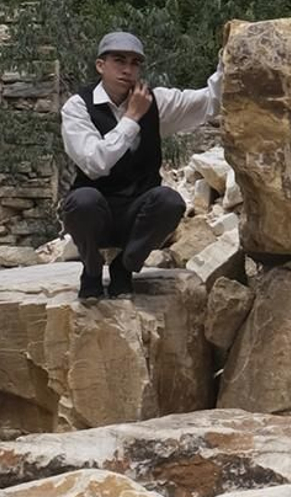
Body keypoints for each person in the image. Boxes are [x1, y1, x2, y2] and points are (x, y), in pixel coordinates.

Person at [59, 30, 223, 302]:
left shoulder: (156, 101)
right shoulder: (78, 107)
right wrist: (132, 117)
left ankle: (124, 267)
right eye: (119, 61)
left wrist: (227, 59)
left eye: (135, 63)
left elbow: (209, 101)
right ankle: (91, 270)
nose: (127, 69)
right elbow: (95, 163)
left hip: (137, 213)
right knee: (81, 201)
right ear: (100, 65)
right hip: (95, 214)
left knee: (170, 201)